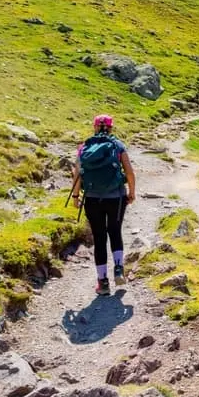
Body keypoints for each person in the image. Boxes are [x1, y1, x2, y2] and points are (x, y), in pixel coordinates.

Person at [70, 114, 136, 296]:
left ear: (94, 127)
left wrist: (76, 196)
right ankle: (118, 268)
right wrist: (131, 192)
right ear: (111, 128)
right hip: (116, 197)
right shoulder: (118, 146)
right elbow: (129, 172)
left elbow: (77, 174)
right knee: (115, 231)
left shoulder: (85, 147)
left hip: (91, 198)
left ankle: (103, 282)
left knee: (99, 239)